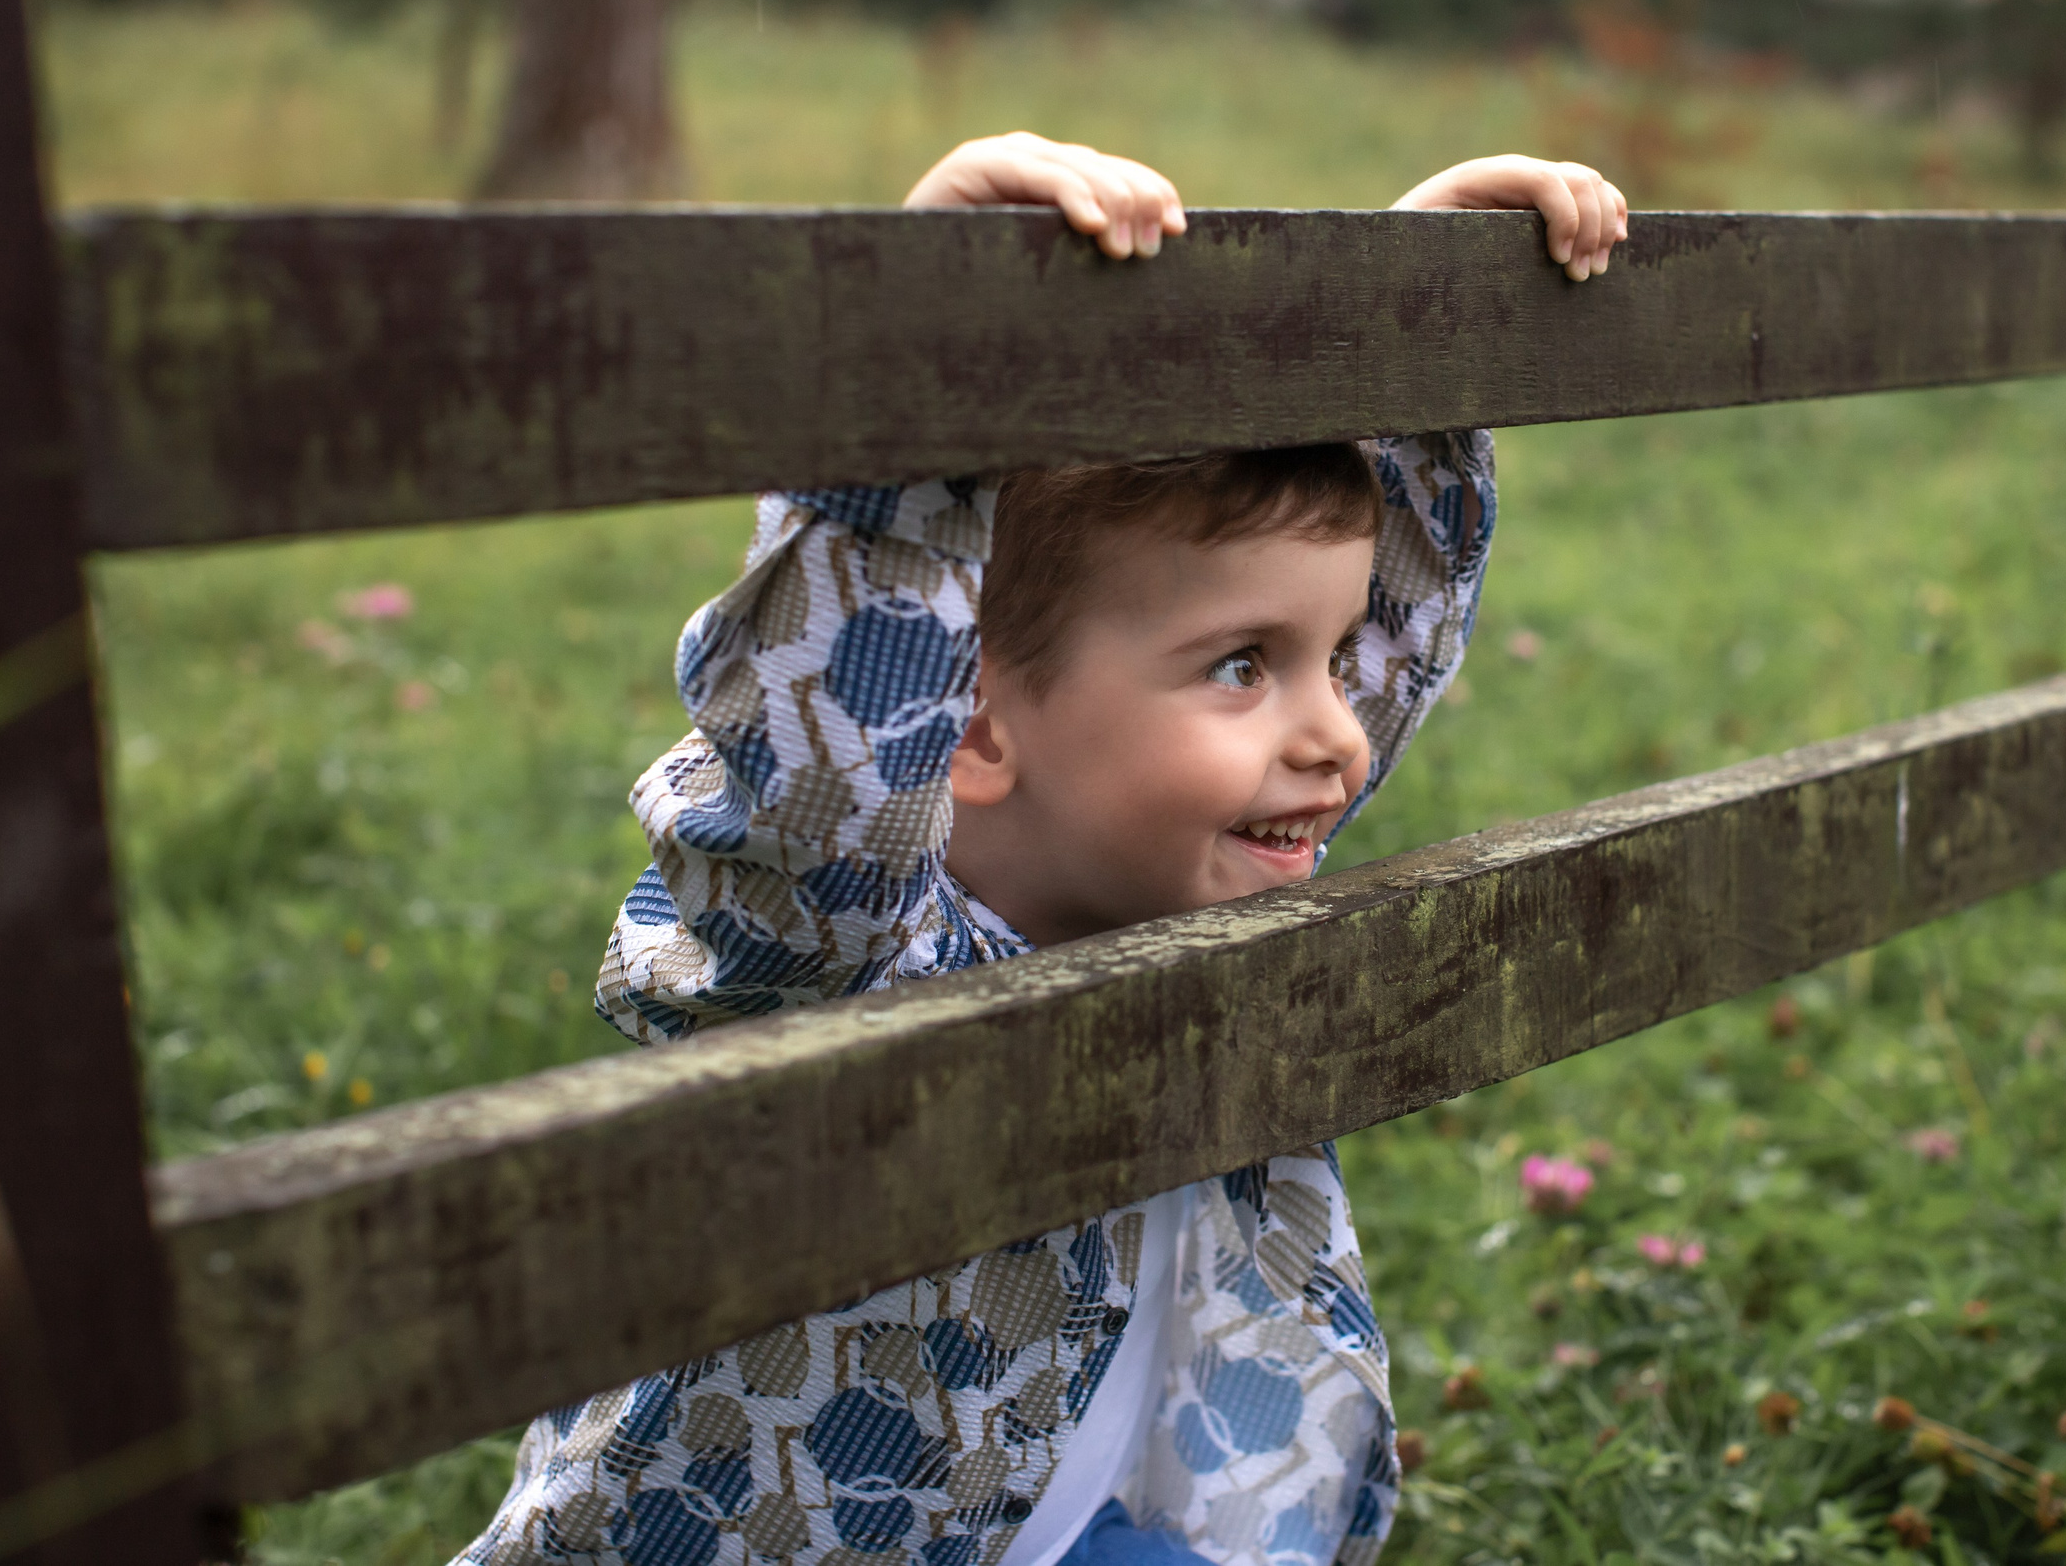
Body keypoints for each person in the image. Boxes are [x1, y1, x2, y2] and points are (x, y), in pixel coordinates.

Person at [458, 132, 1627, 1566]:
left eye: (1330, 656)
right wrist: (920, 329)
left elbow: (1397, 614)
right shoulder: (848, 954)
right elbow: (829, 736)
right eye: (1245, 666)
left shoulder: (1205, 897)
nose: (1341, 731)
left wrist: (1407, 333)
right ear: (967, 723)